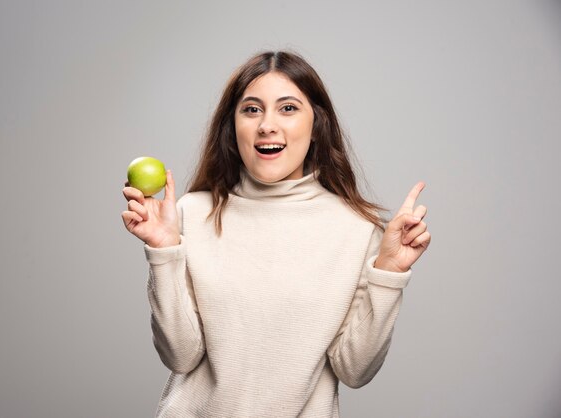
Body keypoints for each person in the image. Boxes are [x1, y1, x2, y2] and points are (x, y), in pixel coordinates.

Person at [121, 51, 431, 417]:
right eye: (251, 109)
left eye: (288, 108)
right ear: (232, 126)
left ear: (317, 125)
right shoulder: (191, 212)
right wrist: (164, 250)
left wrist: (389, 272)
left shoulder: (357, 230)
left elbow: (355, 370)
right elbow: (180, 355)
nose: (267, 125)